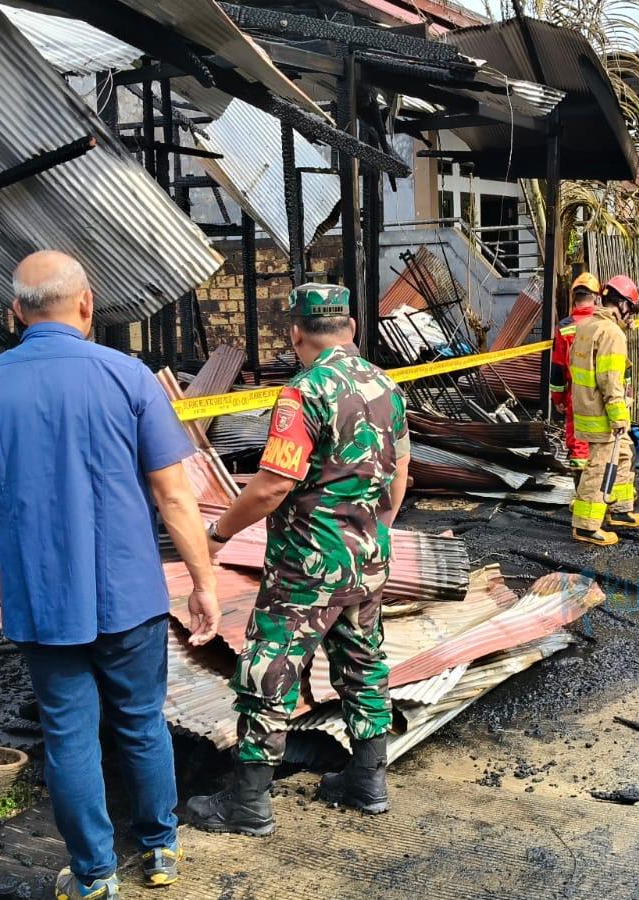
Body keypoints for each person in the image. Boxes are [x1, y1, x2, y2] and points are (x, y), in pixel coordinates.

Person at [0, 251, 220, 897]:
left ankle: (95, 875)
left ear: (16, 313)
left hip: (40, 601)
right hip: (128, 595)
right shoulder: (128, 377)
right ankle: (159, 850)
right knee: (142, 721)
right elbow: (175, 496)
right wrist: (203, 582)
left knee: (68, 735)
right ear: (87, 304)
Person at [186, 282, 410, 835]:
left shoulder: (302, 392)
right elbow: (401, 474)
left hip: (308, 565)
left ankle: (248, 804)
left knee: (272, 667)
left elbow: (271, 487)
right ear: (352, 328)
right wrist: (371, 530)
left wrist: (216, 534)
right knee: (363, 661)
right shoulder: (386, 385)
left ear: (295, 334)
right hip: (368, 557)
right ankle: (367, 780)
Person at [567, 275, 639, 545]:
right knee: (599, 467)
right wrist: (619, 416)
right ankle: (586, 526)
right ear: (621, 305)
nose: (631, 316)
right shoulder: (611, 333)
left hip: (587, 405)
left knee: (622, 454)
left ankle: (620, 510)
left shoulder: (587, 325)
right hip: (603, 411)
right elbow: (610, 380)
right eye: (631, 309)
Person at [548, 272, 601, 469]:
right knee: (605, 441)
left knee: (579, 442)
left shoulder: (565, 327)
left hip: (576, 393)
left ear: (574, 298)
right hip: (604, 391)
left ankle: (582, 488)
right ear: (596, 296)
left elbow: (557, 368)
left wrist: (558, 398)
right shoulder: (605, 324)